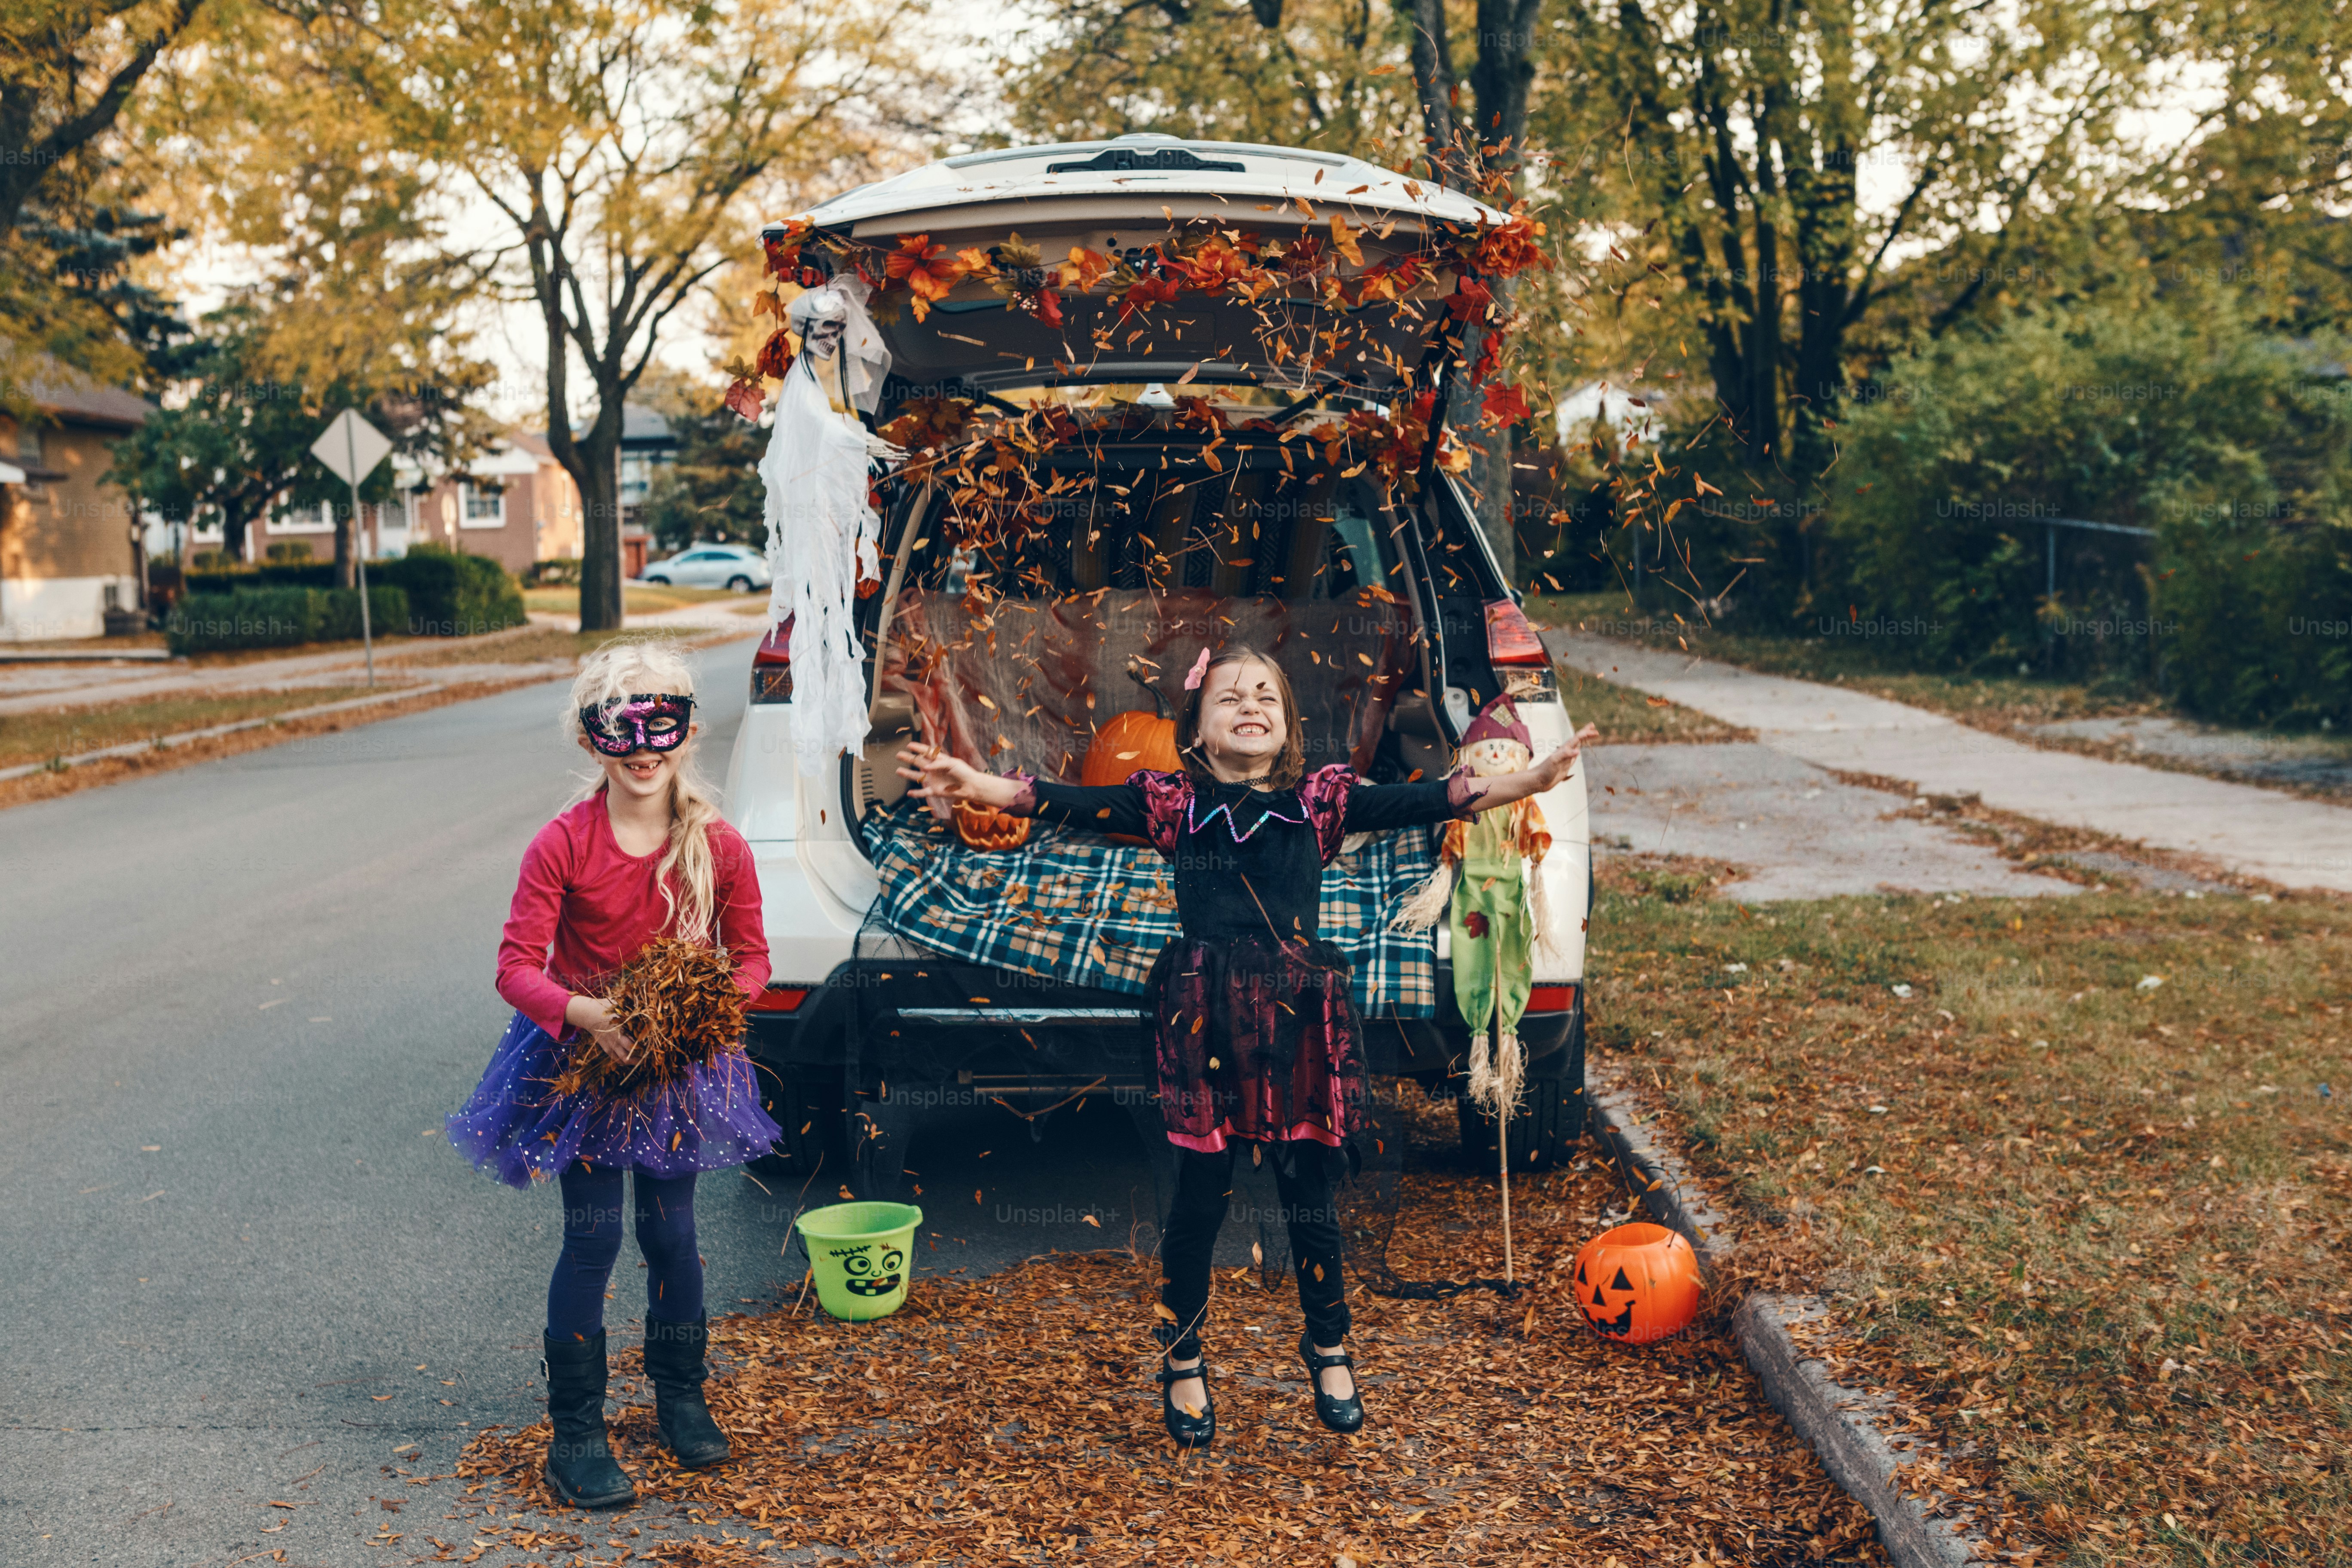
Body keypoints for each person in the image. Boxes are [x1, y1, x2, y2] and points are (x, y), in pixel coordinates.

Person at [898, 646, 1596, 1447]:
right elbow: (1064, 802)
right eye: (1229, 696)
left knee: (1311, 1192)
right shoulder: (1172, 803)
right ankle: (1184, 1355)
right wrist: (979, 786)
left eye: (1267, 692)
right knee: (1201, 1194)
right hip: (1207, 1026)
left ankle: (1328, 1343)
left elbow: (1435, 799)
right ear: (1197, 727)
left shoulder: (1320, 800)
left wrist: (1528, 782)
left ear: (1289, 721)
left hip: (1300, 1021)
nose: (1250, 703)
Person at [447, 641, 781, 1507]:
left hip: (677, 1068)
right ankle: (578, 1433)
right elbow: (516, 968)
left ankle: (681, 1396)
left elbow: (752, 964)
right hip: (587, 1068)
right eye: (618, 725)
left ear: (689, 730)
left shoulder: (720, 847)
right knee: (593, 1237)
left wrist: (704, 1016)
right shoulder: (562, 845)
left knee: (671, 1234)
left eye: (660, 722)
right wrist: (591, 1016)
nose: (642, 745)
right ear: (591, 738)